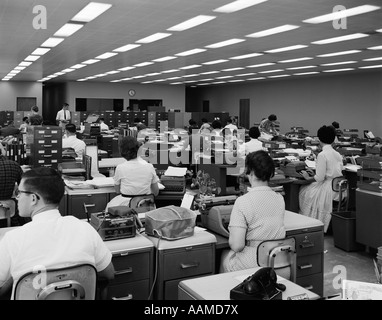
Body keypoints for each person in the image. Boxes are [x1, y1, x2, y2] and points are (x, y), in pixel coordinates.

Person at [0, 167, 115, 299]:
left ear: (33, 198)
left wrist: (17, 275)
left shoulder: (13, 239)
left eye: (19, 192)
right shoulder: (85, 229)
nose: (17, 197)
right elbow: (109, 274)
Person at [220, 150, 286, 273]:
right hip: (277, 261)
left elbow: (237, 245)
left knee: (224, 255)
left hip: (253, 264)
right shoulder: (280, 199)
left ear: (250, 172)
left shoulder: (242, 201)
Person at [299, 125, 344, 232]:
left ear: (319, 139)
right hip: (338, 188)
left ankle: (308, 221)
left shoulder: (322, 155)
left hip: (327, 188)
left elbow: (319, 178)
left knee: (303, 190)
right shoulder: (337, 154)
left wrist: (307, 177)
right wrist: (314, 173)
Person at [105, 136, 160, 211]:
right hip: (146, 206)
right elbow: (156, 192)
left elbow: (117, 191)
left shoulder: (120, 167)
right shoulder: (149, 166)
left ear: (122, 151)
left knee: (109, 209)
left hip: (126, 206)